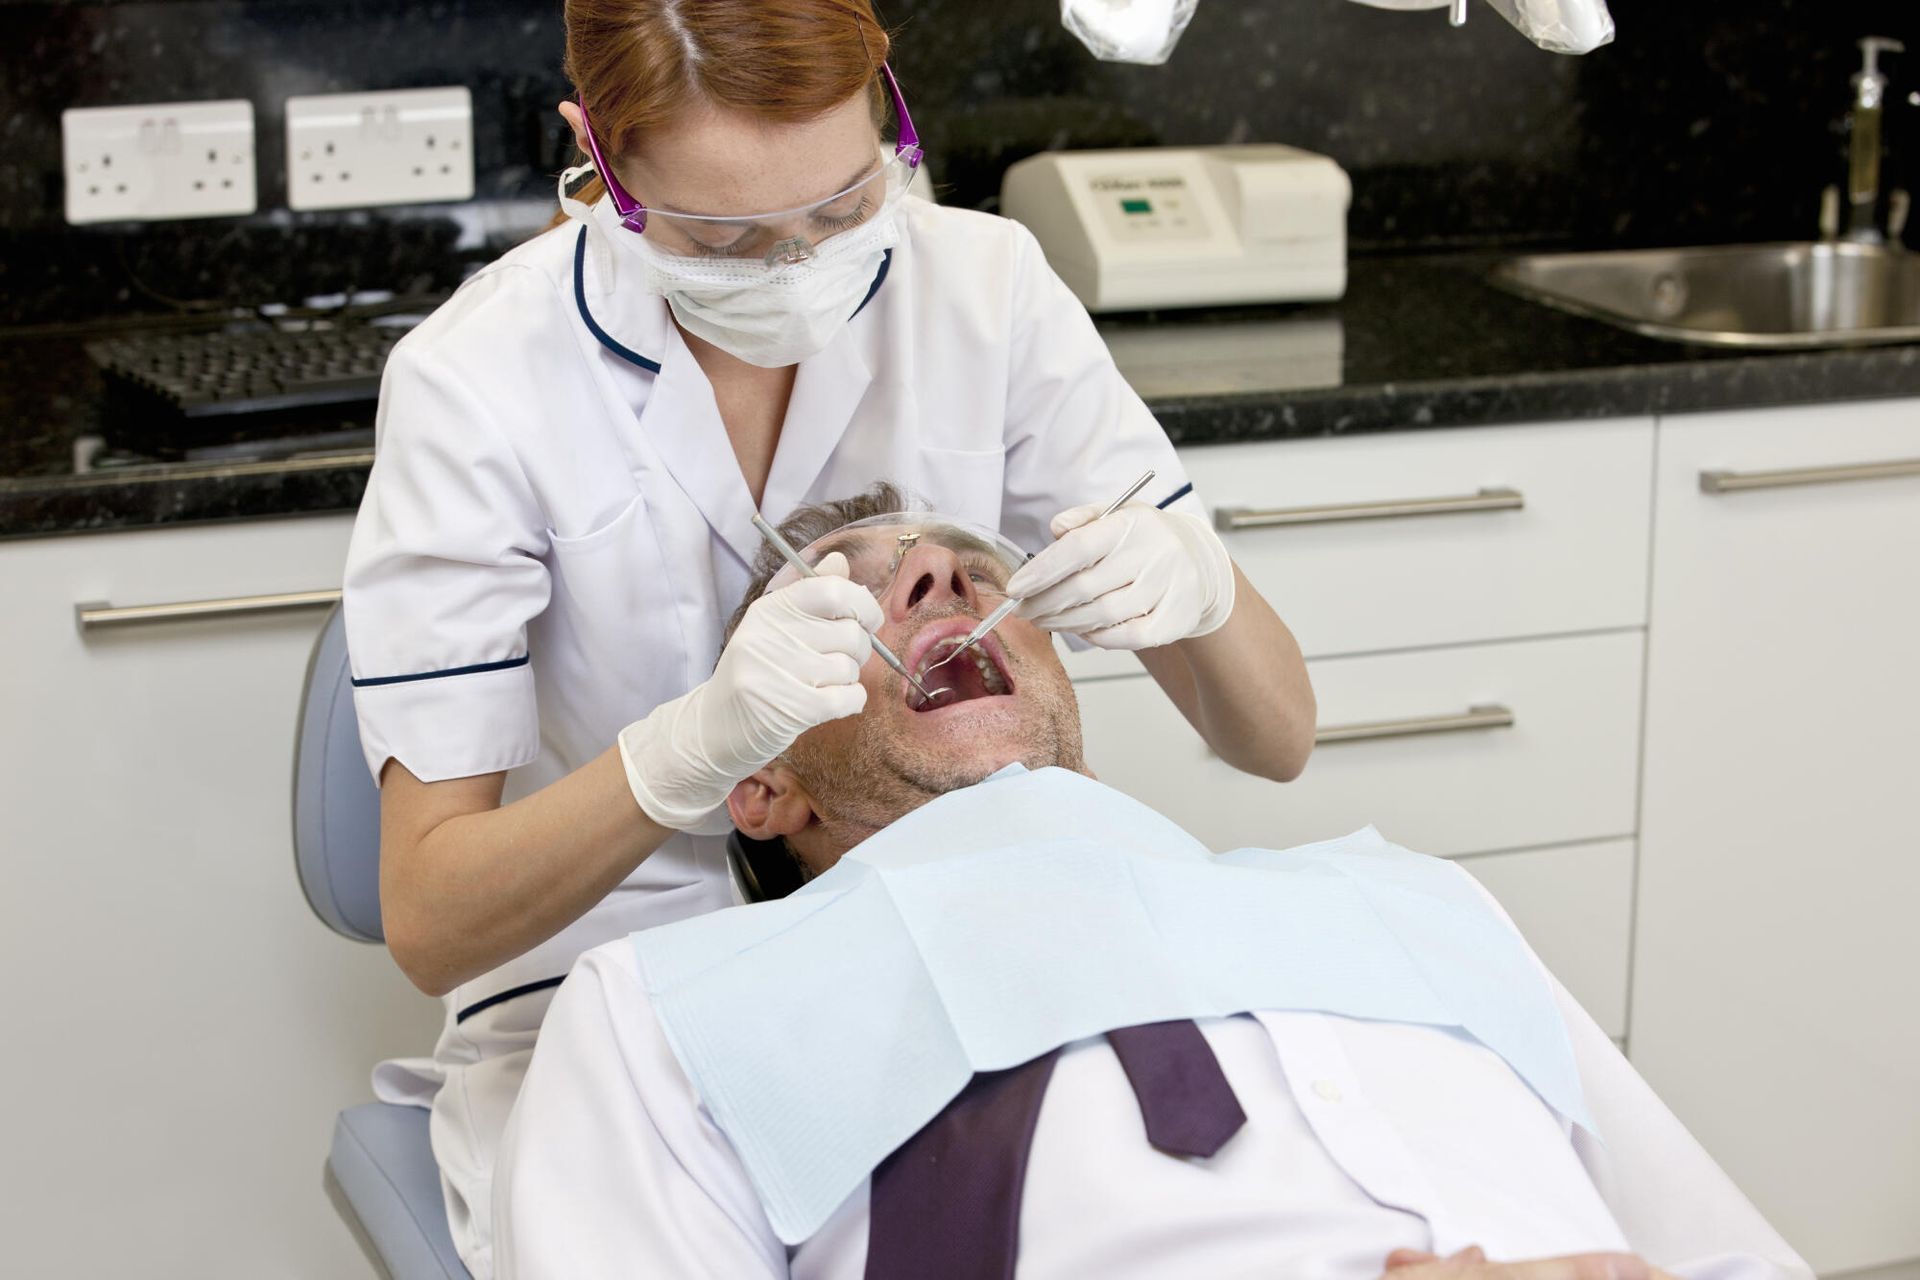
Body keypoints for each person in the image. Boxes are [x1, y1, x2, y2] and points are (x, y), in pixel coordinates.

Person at [340, 2, 1315, 1272]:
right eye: (725, 236)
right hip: (621, 970)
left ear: (889, 105)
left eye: (848, 204)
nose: (798, 265)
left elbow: (1278, 736)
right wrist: (679, 757)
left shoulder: (986, 288)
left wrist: (1199, 587)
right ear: (598, 155)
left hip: (988, 935)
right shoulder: (480, 382)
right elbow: (430, 917)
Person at [490, 491, 1809, 1280]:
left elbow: (1726, 1250)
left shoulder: (1414, 902)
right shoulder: (676, 1012)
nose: (939, 577)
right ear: (760, 782)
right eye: (843, 599)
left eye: (973, 569)